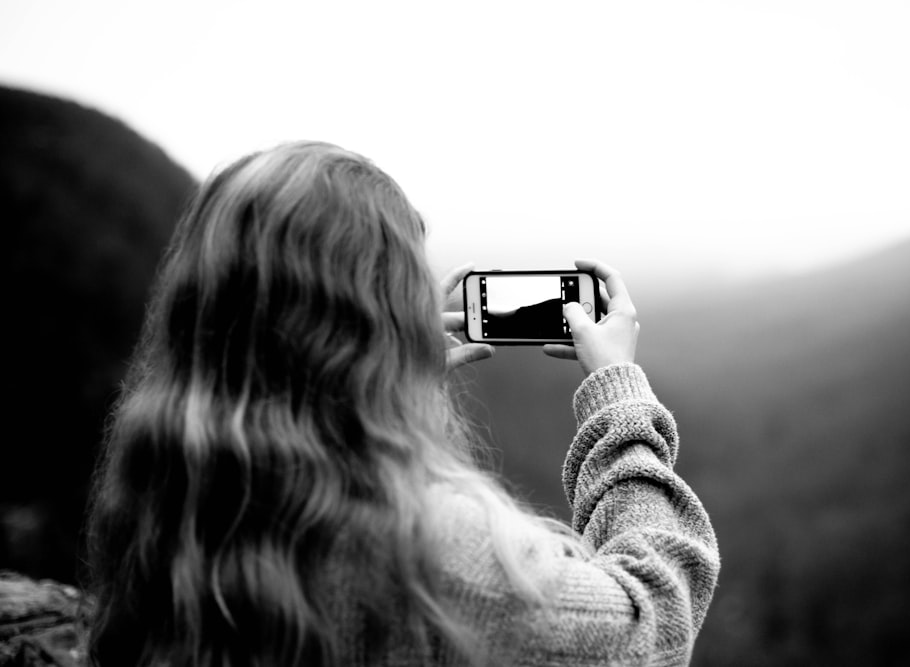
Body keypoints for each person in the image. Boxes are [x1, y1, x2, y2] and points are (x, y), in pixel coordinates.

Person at [84, 141, 720, 666]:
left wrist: (389, 391)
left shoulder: (174, 489)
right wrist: (620, 392)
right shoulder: (423, 542)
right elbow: (653, 626)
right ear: (377, 310)